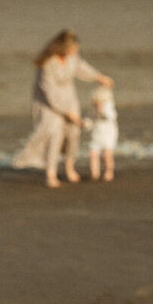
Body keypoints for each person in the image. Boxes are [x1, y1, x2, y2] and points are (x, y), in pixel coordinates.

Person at [12, 29, 113, 188]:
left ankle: (69, 167)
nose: (75, 51)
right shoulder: (47, 63)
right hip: (47, 102)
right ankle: (50, 173)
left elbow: (82, 68)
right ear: (63, 47)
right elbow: (49, 93)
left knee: (73, 132)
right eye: (72, 47)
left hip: (68, 96)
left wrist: (99, 78)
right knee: (54, 132)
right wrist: (67, 113)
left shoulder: (72, 57)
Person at [87, 86, 119, 181]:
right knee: (93, 154)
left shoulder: (109, 107)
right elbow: (91, 120)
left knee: (107, 155)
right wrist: (85, 124)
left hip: (108, 136)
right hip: (96, 136)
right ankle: (95, 172)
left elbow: (111, 117)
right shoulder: (93, 109)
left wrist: (102, 111)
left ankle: (109, 172)